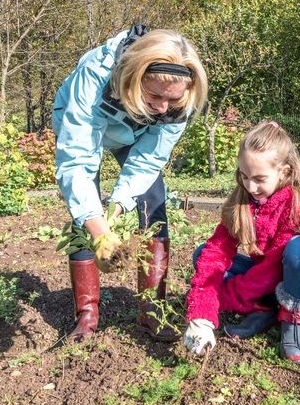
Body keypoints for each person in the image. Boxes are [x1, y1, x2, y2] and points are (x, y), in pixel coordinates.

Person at [52, 25, 207, 342]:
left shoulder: (180, 95)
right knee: (85, 213)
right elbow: (77, 161)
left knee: (154, 201)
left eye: (172, 99)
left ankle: (152, 312)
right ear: (134, 78)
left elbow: (149, 159)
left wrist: (118, 206)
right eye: (155, 95)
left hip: (133, 132)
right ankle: (87, 318)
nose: (164, 106)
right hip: (84, 125)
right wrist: (100, 230)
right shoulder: (95, 75)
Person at [182, 121, 300, 362]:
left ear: (284, 172)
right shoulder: (244, 197)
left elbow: (274, 267)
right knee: (202, 253)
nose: (250, 186)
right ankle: (265, 308)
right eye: (244, 177)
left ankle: (295, 321)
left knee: (298, 249)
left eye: (259, 179)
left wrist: (222, 297)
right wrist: (202, 311)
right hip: (266, 275)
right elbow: (217, 250)